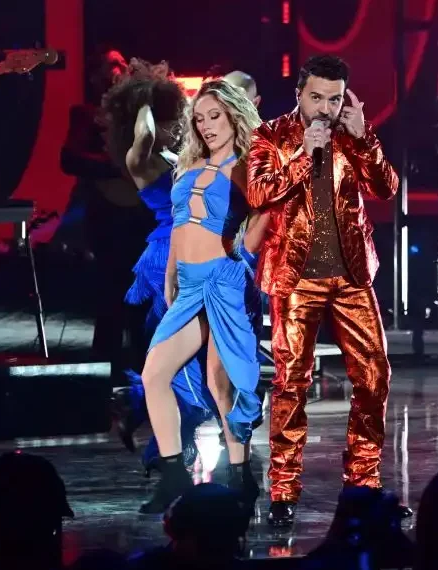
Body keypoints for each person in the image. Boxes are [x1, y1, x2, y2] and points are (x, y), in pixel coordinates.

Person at [247, 54, 399, 527]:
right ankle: (284, 490)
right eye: (317, 97)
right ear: (299, 94)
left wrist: (364, 136)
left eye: (334, 99)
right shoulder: (270, 135)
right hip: (297, 278)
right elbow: (257, 193)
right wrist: (300, 154)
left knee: (374, 375)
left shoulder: (352, 133)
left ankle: (364, 485)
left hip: (352, 276)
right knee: (291, 382)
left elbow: (387, 188)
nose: (325, 108)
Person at [113, 70, 269, 474]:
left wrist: (245, 251)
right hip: (176, 264)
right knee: (173, 369)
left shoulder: (221, 161)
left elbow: (260, 209)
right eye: (194, 117)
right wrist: (144, 98)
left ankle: (231, 464)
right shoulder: (152, 162)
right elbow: (145, 140)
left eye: (212, 115)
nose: (198, 124)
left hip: (219, 267)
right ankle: (169, 456)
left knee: (217, 373)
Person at [60, 48, 155, 380]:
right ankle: (106, 375)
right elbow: (69, 159)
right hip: (107, 216)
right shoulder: (86, 114)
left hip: (143, 216)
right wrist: (118, 166)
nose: (118, 68)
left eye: (121, 63)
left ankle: (147, 374)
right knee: (111, 295)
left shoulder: (145, 114)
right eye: (109, 64)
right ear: (95, 76)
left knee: (145, 295)